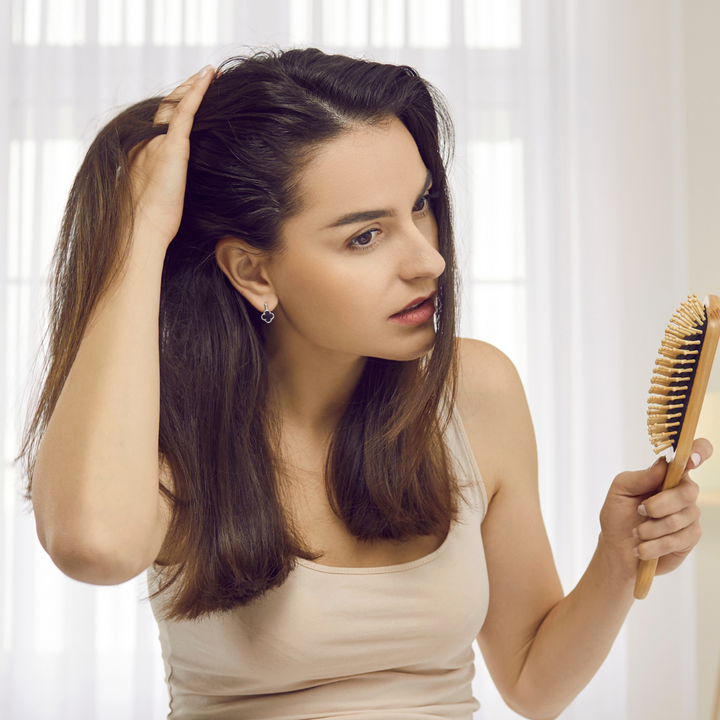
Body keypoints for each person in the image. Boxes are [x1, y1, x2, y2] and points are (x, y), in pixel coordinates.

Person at [20, 48, 710, 720]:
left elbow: (534, 685)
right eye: (365, 236)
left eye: (422, 205)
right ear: (253, 271)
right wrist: (140, 231)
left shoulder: (476, 393)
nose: (429, 259)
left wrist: (620, 559)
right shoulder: (166, 427)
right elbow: (94, 545)